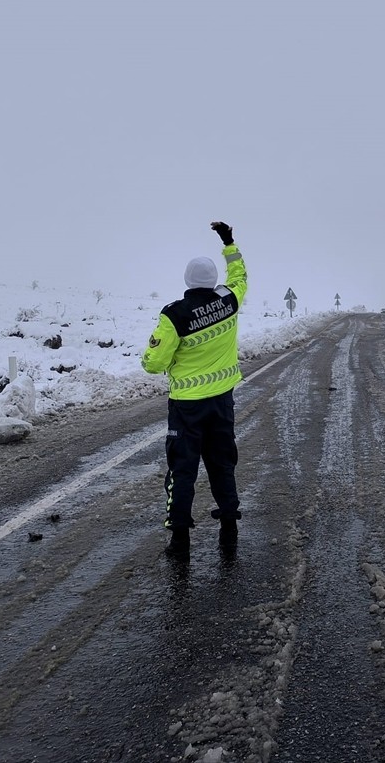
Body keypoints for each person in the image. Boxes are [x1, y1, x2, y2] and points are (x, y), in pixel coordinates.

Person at [141, 221, 247, 560]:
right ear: (212, 281)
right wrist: (229, 242)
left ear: (188, 282)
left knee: (182, 469)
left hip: (186, 408)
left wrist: (150, 355)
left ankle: (180, 540)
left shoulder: (174, 315)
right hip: (221, 402)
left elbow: (154, 363)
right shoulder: (228, 300)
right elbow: (240, 277)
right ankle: (229, 528)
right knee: (222, 464)